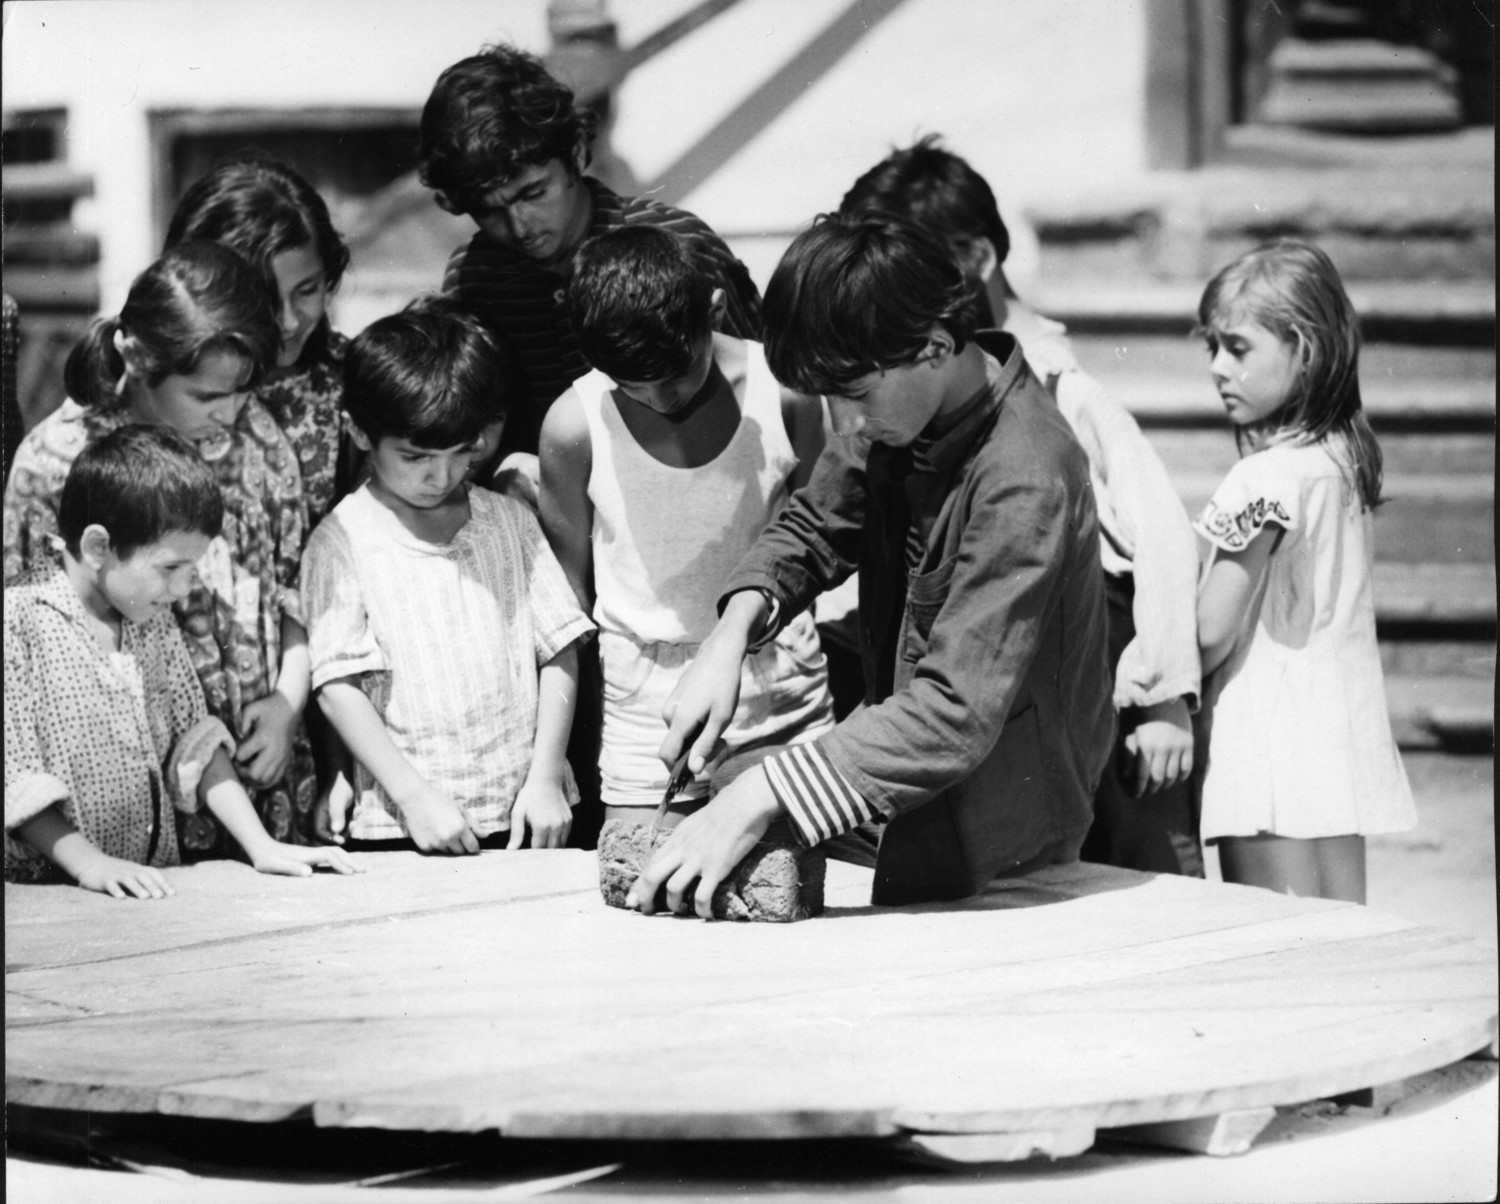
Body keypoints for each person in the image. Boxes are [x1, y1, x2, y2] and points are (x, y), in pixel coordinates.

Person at [629, 215, 1114, 916]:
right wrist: (727, 638)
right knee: (729, 789)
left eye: (854, 394)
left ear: (936, 345)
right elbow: (814, 525)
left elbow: (953, 713)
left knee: (750, 800)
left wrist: (763, 793)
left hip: (1000, 824)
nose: (843, 421)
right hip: (907, 775)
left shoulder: (1024, 475)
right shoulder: (902, 399)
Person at [839, 136, 1203, 876]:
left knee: (1120, 864)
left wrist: (1163, 692)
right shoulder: (916, 383)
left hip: (1091, 653)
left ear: (974, 257)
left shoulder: (1060, 390)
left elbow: (1160, 534)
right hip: (989, 647)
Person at [3, 242, 320, 859]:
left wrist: (288, 701)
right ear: (137, 357)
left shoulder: (256, 438)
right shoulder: (55, 461)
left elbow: (292, 587)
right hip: (113, 804)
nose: (229, 412)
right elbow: (28, 644)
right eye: (205, 396)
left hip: (255, 769)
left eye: (242, 391)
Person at [539, 226, 834, 824]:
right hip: (645, 700)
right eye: (632, 386)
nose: (659, 398)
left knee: (798, 868)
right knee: (643, 867)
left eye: (676, 376)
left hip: (779, 683)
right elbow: (566, 598)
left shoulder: (786, 393)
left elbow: (822, 538)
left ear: (715, 313)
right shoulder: (574, 425)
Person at [5, 426, 361, 894]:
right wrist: (91, 866)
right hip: (46, 894)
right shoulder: (17, 621)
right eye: (171, 567)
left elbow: (195, 739)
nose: (183, 588)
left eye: (192, 569)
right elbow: (14, 776)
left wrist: (262, 845)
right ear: (97, 548)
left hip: (145, 885)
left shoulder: (148, 617)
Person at [302, 300, 593, 855]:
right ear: (359, 431)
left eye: (460, 453)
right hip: (404, 824)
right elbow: (338, 687)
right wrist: (414, 798)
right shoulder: (341, 541)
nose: (442, 476)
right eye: (416, 457)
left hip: (526, 813)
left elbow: (560, 648)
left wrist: (546, 776)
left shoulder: (508, 521)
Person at [1194, 240, 1416, 903]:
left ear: (1306, 350)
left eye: (1238, 348)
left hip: (1266, 740)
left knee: (1275, 936)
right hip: (1335, 738)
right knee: (1339, 929)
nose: (1217, 367)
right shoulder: (1343, 460)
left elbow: (1210, 631)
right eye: (1212, 347)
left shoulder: (1263, 477)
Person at [418, 43, 763, 466]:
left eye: (533, 192)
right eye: (488, 210)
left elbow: (766, 385)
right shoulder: (472, 278)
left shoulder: (680, 243)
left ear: (576, 153)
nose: (519, 226)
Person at [164, 155, 357, 531]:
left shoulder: (353, 383)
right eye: (264, 296)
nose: (289, 321)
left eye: (307, 290)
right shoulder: (157, 384)